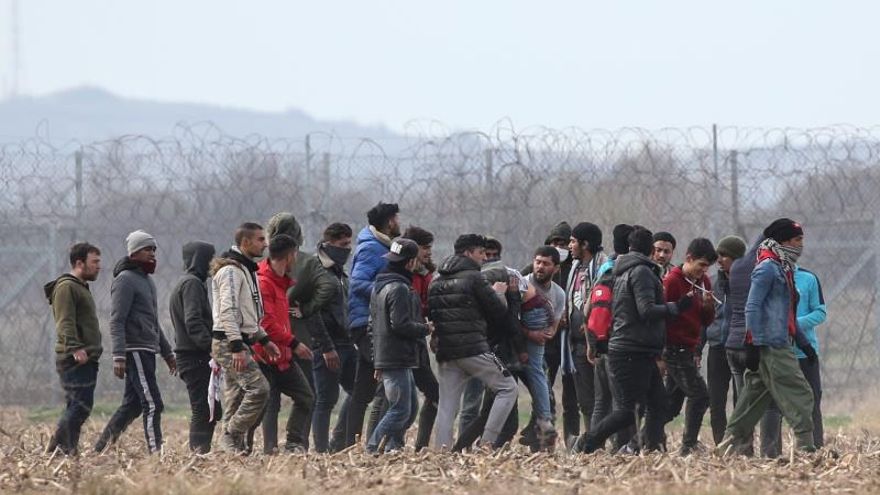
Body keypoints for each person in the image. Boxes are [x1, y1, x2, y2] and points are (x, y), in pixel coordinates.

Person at [574, 227, 688, 453]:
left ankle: (650, 450)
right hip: (631, 350)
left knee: (658, 404)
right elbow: (646, 310)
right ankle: (585, 444)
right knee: (627, 410)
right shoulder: (642, 272)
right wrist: (677, 307)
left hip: (638, 349)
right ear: (649, 249)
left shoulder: (620, 270)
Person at [717, 218, 818, 456]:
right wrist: (752, 342)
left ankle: (725, 448)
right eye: (797, 240)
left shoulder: (781, 267)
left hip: (773, 341)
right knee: (800, 393)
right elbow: (752, 306)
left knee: (751, 400)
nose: (801, 245)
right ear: (782, 241)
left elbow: (788, 314)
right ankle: (807, 449)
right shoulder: (767, 268)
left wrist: (803, 342)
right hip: (771, 345)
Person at [95, 231, 177, 454]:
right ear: (133, 252)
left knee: (131, 406)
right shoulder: (125, 280)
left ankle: (99, 450)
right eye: (147, 249)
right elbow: (117, 320)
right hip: (135, 350)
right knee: (152, 404)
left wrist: (167, 353)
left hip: (148, 349)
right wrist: (119, 354)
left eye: (153, 249)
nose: (152, 253)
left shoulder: (147, 281)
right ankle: (155, 454)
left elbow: (152, 322)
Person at [430, 234, 514, 450]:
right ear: (468, 253)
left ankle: (441, 452)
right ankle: (486, 444)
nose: (484, 258)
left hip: (446, 353)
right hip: (474, 349)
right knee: (508, 388)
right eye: (480, 253)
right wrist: (499, 294)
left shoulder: (436, 281)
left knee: (447, 406)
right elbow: (498, 312)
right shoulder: (475, 278)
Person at [366, 226, 440, 451]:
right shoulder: (398, 288)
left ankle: (393, 448)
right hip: (396, 356)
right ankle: (372, 447)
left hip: (392, 357)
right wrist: (425, 328)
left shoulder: (380, 285)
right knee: (400, 409)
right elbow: (399, 325)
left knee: (409, 408)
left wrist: (377, 359)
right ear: (409, 263)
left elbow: (374, 326)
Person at [210, 223, 281, 454]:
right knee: (259, 389)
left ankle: (231, 451)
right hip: (228, 342)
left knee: (236, 395)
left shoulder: (245, 270)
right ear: (245, 242)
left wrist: (263, 339)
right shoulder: (231, 271)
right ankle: (231, 434)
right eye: (260, 239)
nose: (265, 244)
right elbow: (228, 312)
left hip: (239, 339)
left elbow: (247, 315)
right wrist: (236, 346)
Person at [291, 222, 355, 453]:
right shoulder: (317, 271)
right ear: (328, 244)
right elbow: (313, 313)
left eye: (349, 244)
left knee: (359, 390)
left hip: (346, 342)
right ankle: (321, 450)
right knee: (325, 399)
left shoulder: (339, 272)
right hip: (327, 345)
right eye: (342, 244)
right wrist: (326, 347)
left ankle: (339, 441)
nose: (347, 249)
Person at [253, 234, 315, 454]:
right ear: (289, 255)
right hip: (265, 355)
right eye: (295, 254)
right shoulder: (263, 283)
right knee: (265, 404)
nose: (297, 258)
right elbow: (266, 323)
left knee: (306, 397)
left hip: (284, 356)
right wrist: (295, 343)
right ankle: (253, 447)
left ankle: (293, 443)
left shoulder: (282, 282)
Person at [346, 202, 401, 446]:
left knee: (363, 389)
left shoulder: (383, 246)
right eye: (396, 218)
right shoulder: (371, 248)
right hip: (365, 323)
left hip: (373, 322)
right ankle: (373, 443)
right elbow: (357, 282)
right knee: (386, 381)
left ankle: (346, 442)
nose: (399, 222)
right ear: (389, 221)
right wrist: (388, 293)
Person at [520, 222, 580, 444]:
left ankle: (562, 438)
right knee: (542, 388)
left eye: (564, 243)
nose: (560, 247)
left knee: (568, 396)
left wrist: (560, 322)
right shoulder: (528, 275)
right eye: (555, 243)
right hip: (533, 342)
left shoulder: (574, 270)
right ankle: (538, 431)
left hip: (562, 343)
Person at [759, 263, 827, 457]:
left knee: (811, 399)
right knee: (772, 403)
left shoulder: (809, 278)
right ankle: (770, 454)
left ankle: (814, 450)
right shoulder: (764, 276)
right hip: (776, 351)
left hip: (805, 353)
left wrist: (793, 325)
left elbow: (820, 312)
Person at [44, 243, 103, 456]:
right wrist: (75, 347)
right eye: (94, 262)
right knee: (81, 405)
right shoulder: (66, 287)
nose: (99, 266)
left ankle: (68, 450)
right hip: (75, 357)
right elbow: (65, 321)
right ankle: (56, 446)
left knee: (78, 405)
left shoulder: (80, 287)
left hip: (86, 357)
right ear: (79, 263)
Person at [661, 238, 717, 455]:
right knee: (700, 395)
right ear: (689, 258)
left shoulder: (704, 283)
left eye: (706, 267)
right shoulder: (672, 281)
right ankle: (688, 445)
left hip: (689, 348)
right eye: (701, 265)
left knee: (670, 406)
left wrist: (708, 307)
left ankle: (642, 440)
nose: (703, 271)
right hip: (674, 348)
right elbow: (663, 316)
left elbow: (705, 320)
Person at [586, 224, 634, 451]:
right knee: (621, 402)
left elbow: (590, 307)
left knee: (600, 401)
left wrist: (591, 341)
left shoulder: (604, 267)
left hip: (600, 340)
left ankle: (592, 447)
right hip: (619, 343)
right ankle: (620, 446)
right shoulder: (629, 269)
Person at [169, 241, 220, 453]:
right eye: (210, 258)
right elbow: (193, 321)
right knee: (202, 408)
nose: (213, 263)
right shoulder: (192, 284)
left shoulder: (189, 282)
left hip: (193, 354)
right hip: (194, 356)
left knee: (211, 409)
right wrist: (211, 347)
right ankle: (199, 454)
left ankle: (201, 452)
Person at [703, 235, 747, 446]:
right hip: (717, 347)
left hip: (741, 348)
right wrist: (697, 349)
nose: (719, 260)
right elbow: (703, 319)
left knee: (742, 400)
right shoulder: (711, 283)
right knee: (716, 401)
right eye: (718, 255)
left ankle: (742, 445)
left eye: (724, 256)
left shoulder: (749, 282)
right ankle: (721, 444)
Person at [564, 222, 607, 436]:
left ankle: (605, 441)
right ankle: (592, 442)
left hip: (598, 344)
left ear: (585, 244)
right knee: (586, 401)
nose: (569, 246)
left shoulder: (604, 267)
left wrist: (590, 325)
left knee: (603, 399)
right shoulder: (575, 267)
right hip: (577, 344)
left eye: (573, 241)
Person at [522, 246, 567, 448]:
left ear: (555, 268)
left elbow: (554, 326)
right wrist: (529, 332)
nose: (540, 267)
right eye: (538, 262)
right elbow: (507, 319)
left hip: (537, 348)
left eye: (546, 263)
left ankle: (544, 425)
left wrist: (547, 332)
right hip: (511, 344)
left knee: (540, 378)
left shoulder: (559, 294)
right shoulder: (522, 284)